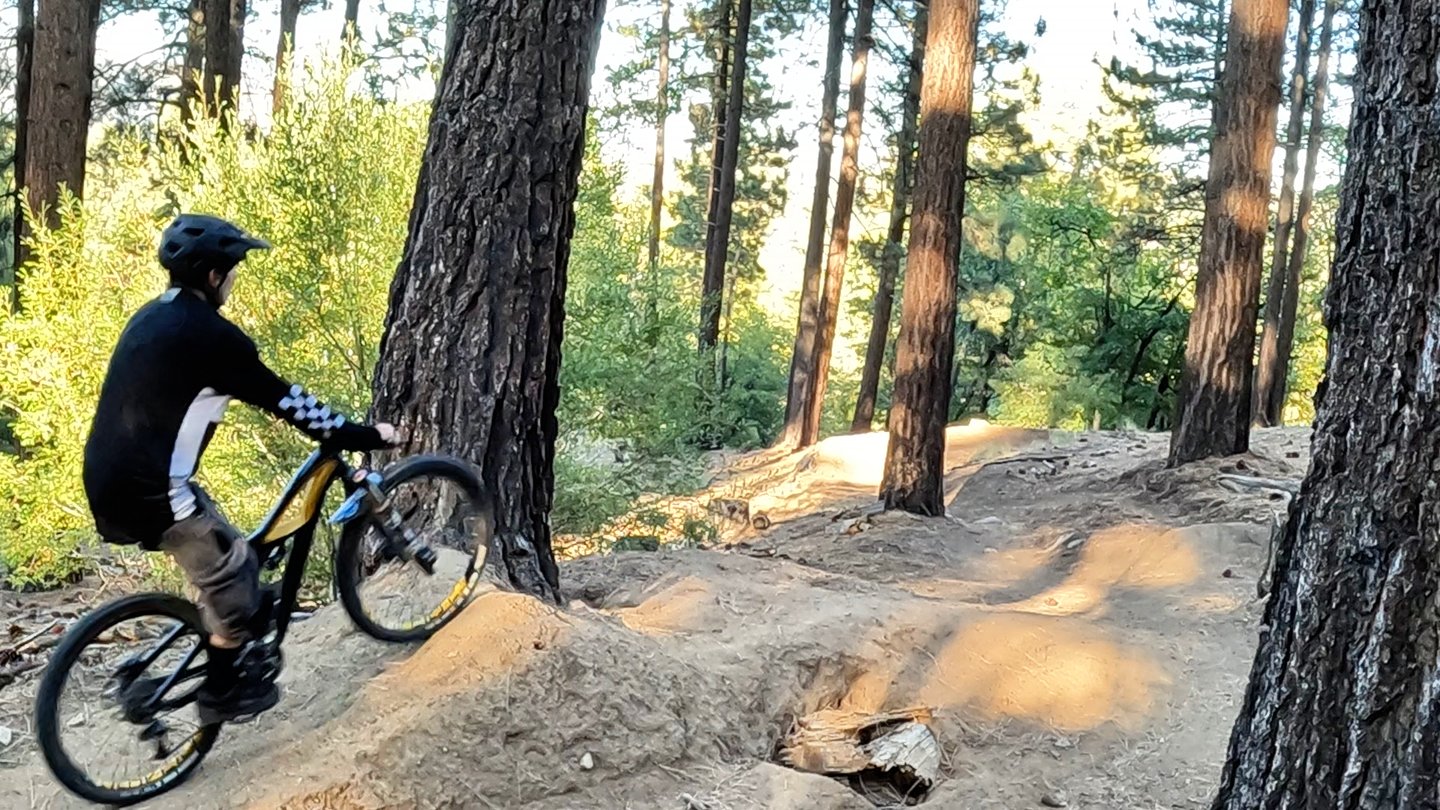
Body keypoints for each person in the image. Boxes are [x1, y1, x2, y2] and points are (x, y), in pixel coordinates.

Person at [82, 213, 398, 724]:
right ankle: (222, 692)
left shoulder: (153, 315)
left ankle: (212, 615)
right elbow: (291, 403)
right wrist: (364, 434)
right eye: (232, 269)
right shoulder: (213, 339)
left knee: (237, 550)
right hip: (154, 494)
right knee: (240, 602)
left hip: (112, 477)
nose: (233, 278)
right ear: (213, 276)